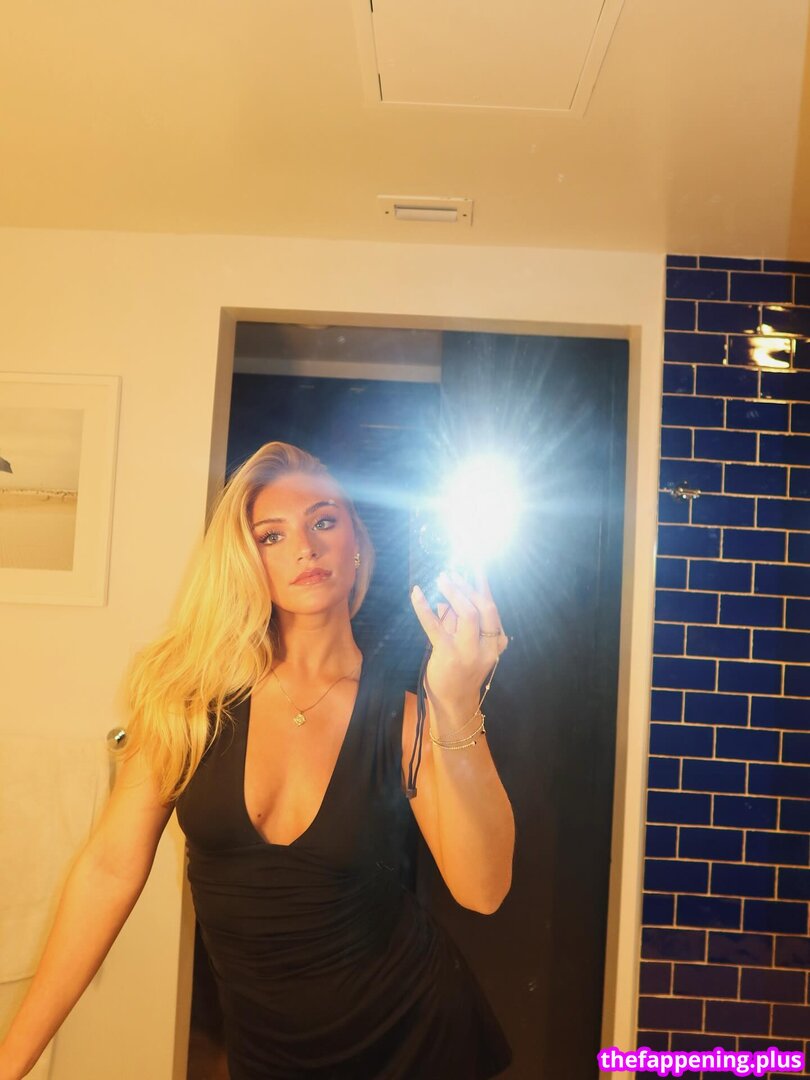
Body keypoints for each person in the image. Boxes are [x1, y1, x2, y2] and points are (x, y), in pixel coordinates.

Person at [0, 442, 515, 1080]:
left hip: (420, 1040)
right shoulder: (190, 703)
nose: (306, 547)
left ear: (356, 543)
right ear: (248, 559)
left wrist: (457, 706)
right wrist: (10, 1060)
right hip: (268, 1057)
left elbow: (483, 891)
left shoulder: (408, 717)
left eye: (324, 521)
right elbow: (108, 870)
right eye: (273, 535)